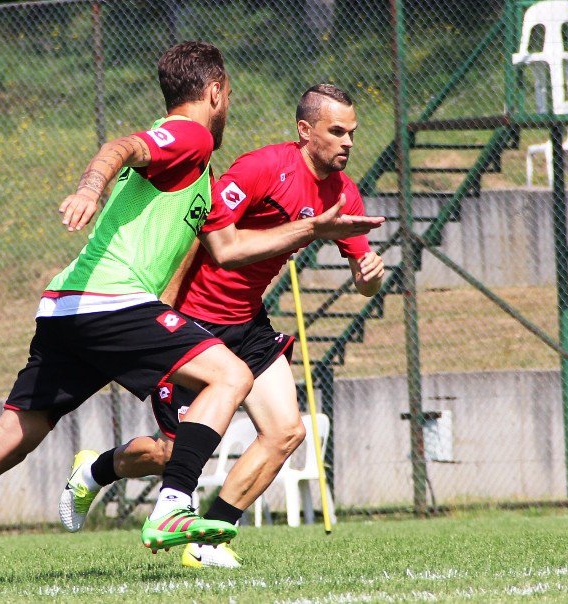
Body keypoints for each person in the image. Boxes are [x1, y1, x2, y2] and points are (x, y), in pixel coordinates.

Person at [0, 45, 383, 588]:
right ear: (216, 93)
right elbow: (122, 147)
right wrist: (90, 186)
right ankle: (172, 506)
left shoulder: (199, 167)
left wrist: (348, 254)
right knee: (229, 378)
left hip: (66, 307)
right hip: (116, 303)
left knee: (5, 443)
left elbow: (212, 241)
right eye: (229, 97)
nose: (347, 142)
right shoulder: (192, 136)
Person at [58, 83, 384, 569]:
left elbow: (364, 282)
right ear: (305, 130)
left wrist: (368, 275)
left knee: (286, 432)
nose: (348, 142)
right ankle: (96, 469)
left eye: (352, 133)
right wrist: (164, 302)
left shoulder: (344, 192)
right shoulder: (262, 168)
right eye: (336, 131)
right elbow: (208, 235)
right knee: (172, 453)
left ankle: (209, 542)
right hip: (193, 322)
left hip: (248, 324)